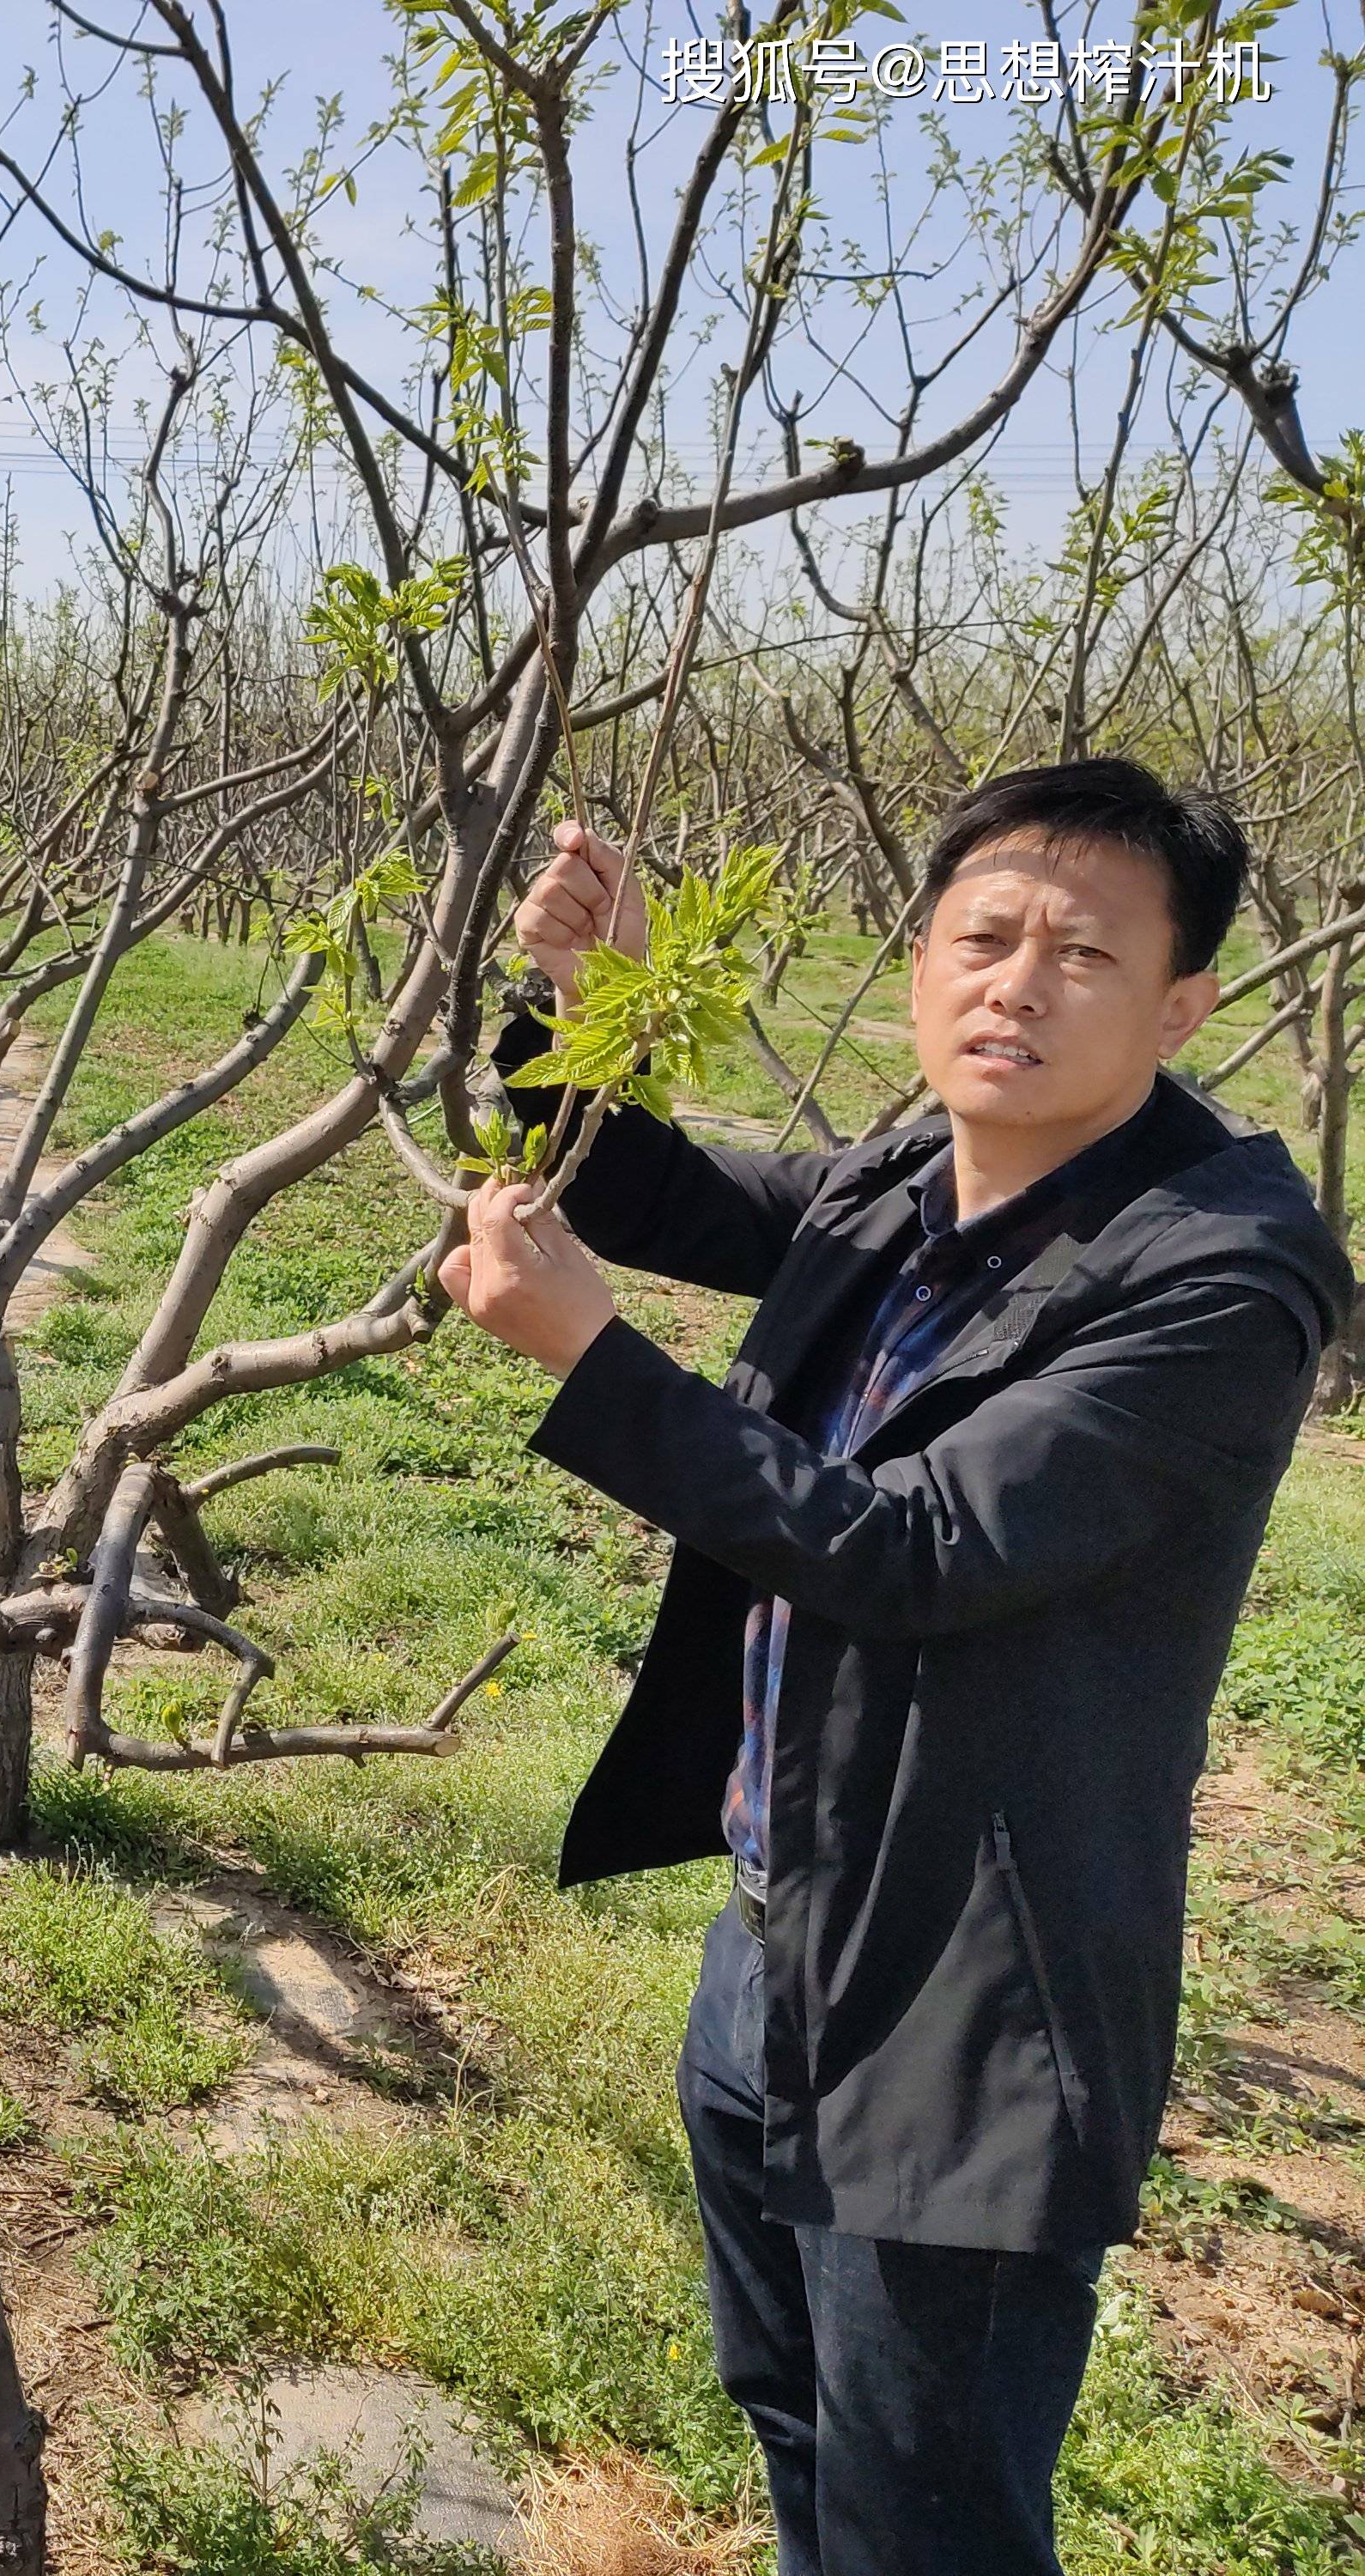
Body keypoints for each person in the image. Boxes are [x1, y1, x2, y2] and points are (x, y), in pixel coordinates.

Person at [439, 761, 1353, 2576]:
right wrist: (580, 1007)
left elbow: (915, 1553)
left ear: (1180, 1006)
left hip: (969, 2001)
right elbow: (643, 1191)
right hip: (782, 1929)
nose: (1015, 983)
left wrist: (591, 1368)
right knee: (792, 2417)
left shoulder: (1215, 1280)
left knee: (920, 2520)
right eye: (982, 936)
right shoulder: (912, 1172)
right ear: (919, 957)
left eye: (1082, 952)